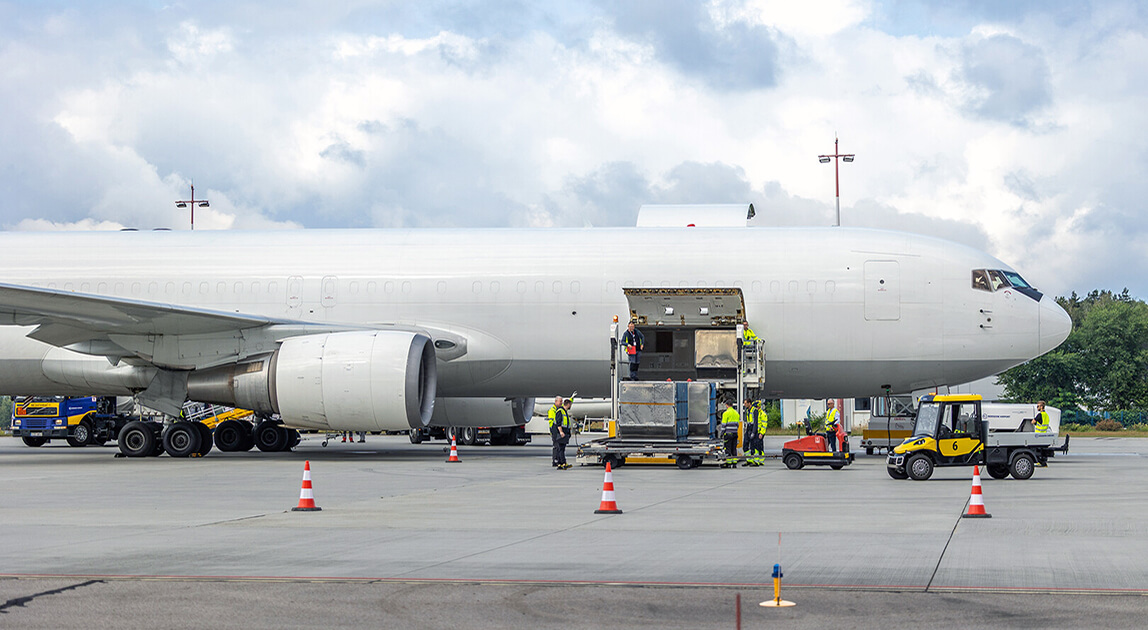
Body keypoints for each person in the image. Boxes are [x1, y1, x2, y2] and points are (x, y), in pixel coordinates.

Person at [553, 399, 573, 469]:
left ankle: (560, 463)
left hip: (564, 431)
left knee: (561, 448)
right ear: (568, 405)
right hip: (561, 432)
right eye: (570, 405)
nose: (571, 406)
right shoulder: (560, 411)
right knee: (561, 448)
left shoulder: (564, 411)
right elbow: (558, 423)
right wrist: (561, 432)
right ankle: (563, 463)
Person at [720, 399, 740, 468]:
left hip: (728, 433)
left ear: (727, 405)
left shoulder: (725, 413)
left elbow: (723, 425)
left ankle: (728, 463)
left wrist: (722, 433)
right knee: (734, 448)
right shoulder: (736, 413)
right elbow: (737, 424)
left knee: (727, 448)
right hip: (735, 433)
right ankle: (734, 463)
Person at [547, 396, 564, 467]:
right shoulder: (552, 410)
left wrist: (571, 398)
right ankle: (555, 460)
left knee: (559, 446)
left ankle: (559, 460)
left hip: (558, 430)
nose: (561, 403)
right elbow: (554, 421)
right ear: (556, 401)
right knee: (556, 446)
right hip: (554, 430)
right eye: (560, 401)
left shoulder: (559, 408)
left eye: (562, 401)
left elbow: (566, 405)